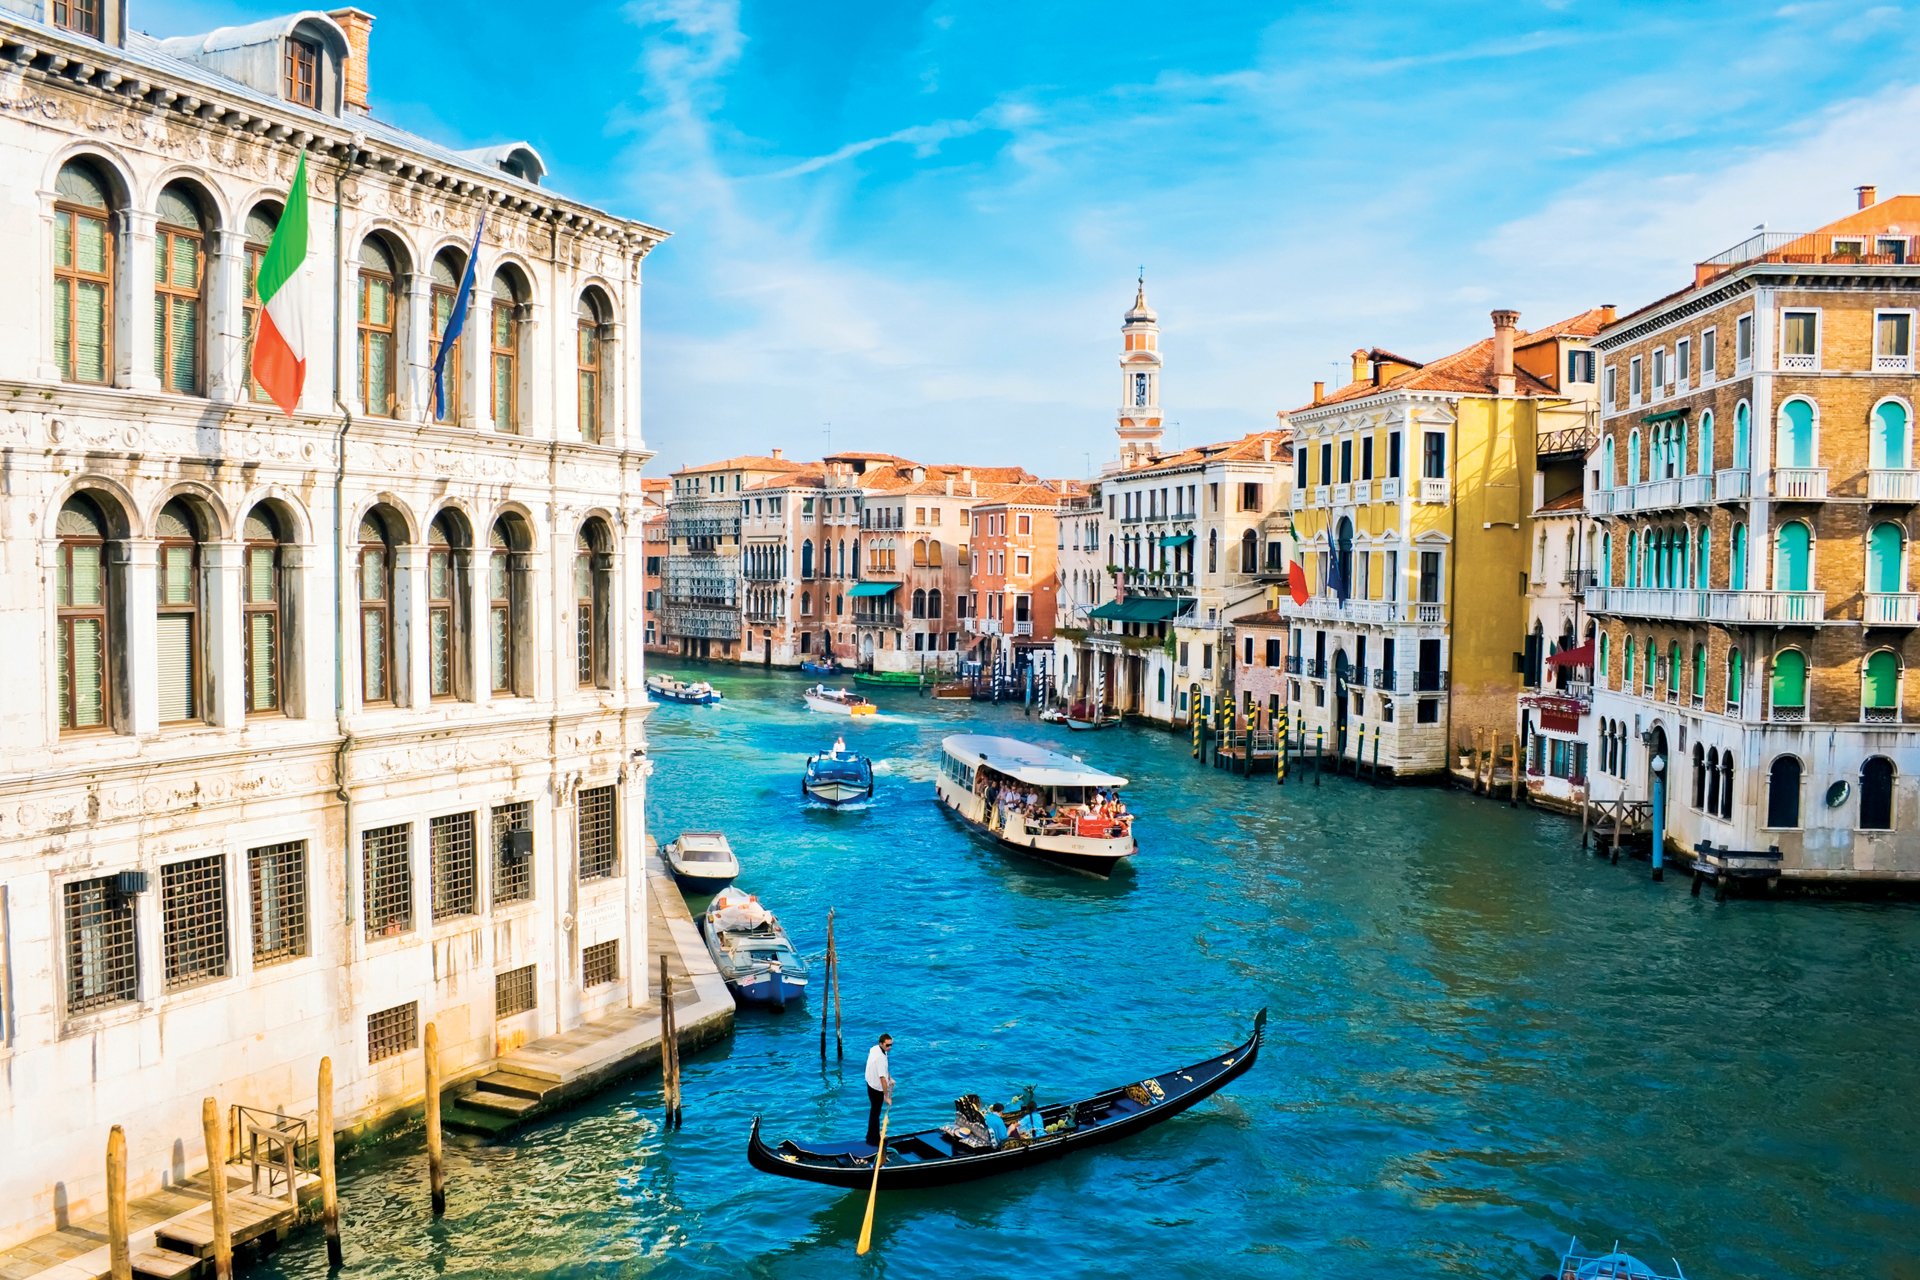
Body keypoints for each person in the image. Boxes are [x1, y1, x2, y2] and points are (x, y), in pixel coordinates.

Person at [864, 1032, 894, 1147]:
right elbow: (882, 1079)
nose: (889, 1047)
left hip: (870, 1082)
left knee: (874, 1112)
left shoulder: (876, 1049)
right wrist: (886, 1097)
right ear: (881, 1044)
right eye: (887, 1045)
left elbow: (884, 1069)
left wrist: (890, 1077)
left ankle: (870, 1137)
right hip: (876, 1088)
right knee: (875, 1114)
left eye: (891, 1045)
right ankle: (873, 1140)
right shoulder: (880, 1057)